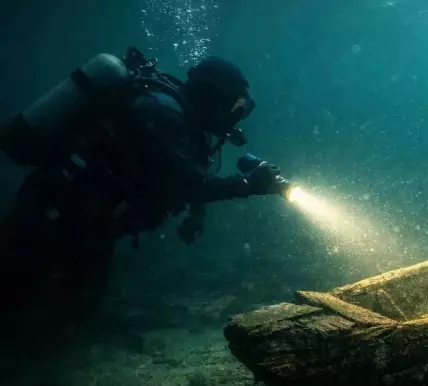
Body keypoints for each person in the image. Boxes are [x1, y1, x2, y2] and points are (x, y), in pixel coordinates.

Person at [0, 48, 286, 334]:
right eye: (234, 107)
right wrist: (247, 185)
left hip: (88, 221)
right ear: (213, 97)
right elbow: (186, 182)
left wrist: (197, 214)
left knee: (70, 306)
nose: (234, 119)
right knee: (20, 286)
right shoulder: (162, 114)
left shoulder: (182, 120)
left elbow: (189, 172)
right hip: (56, 210)